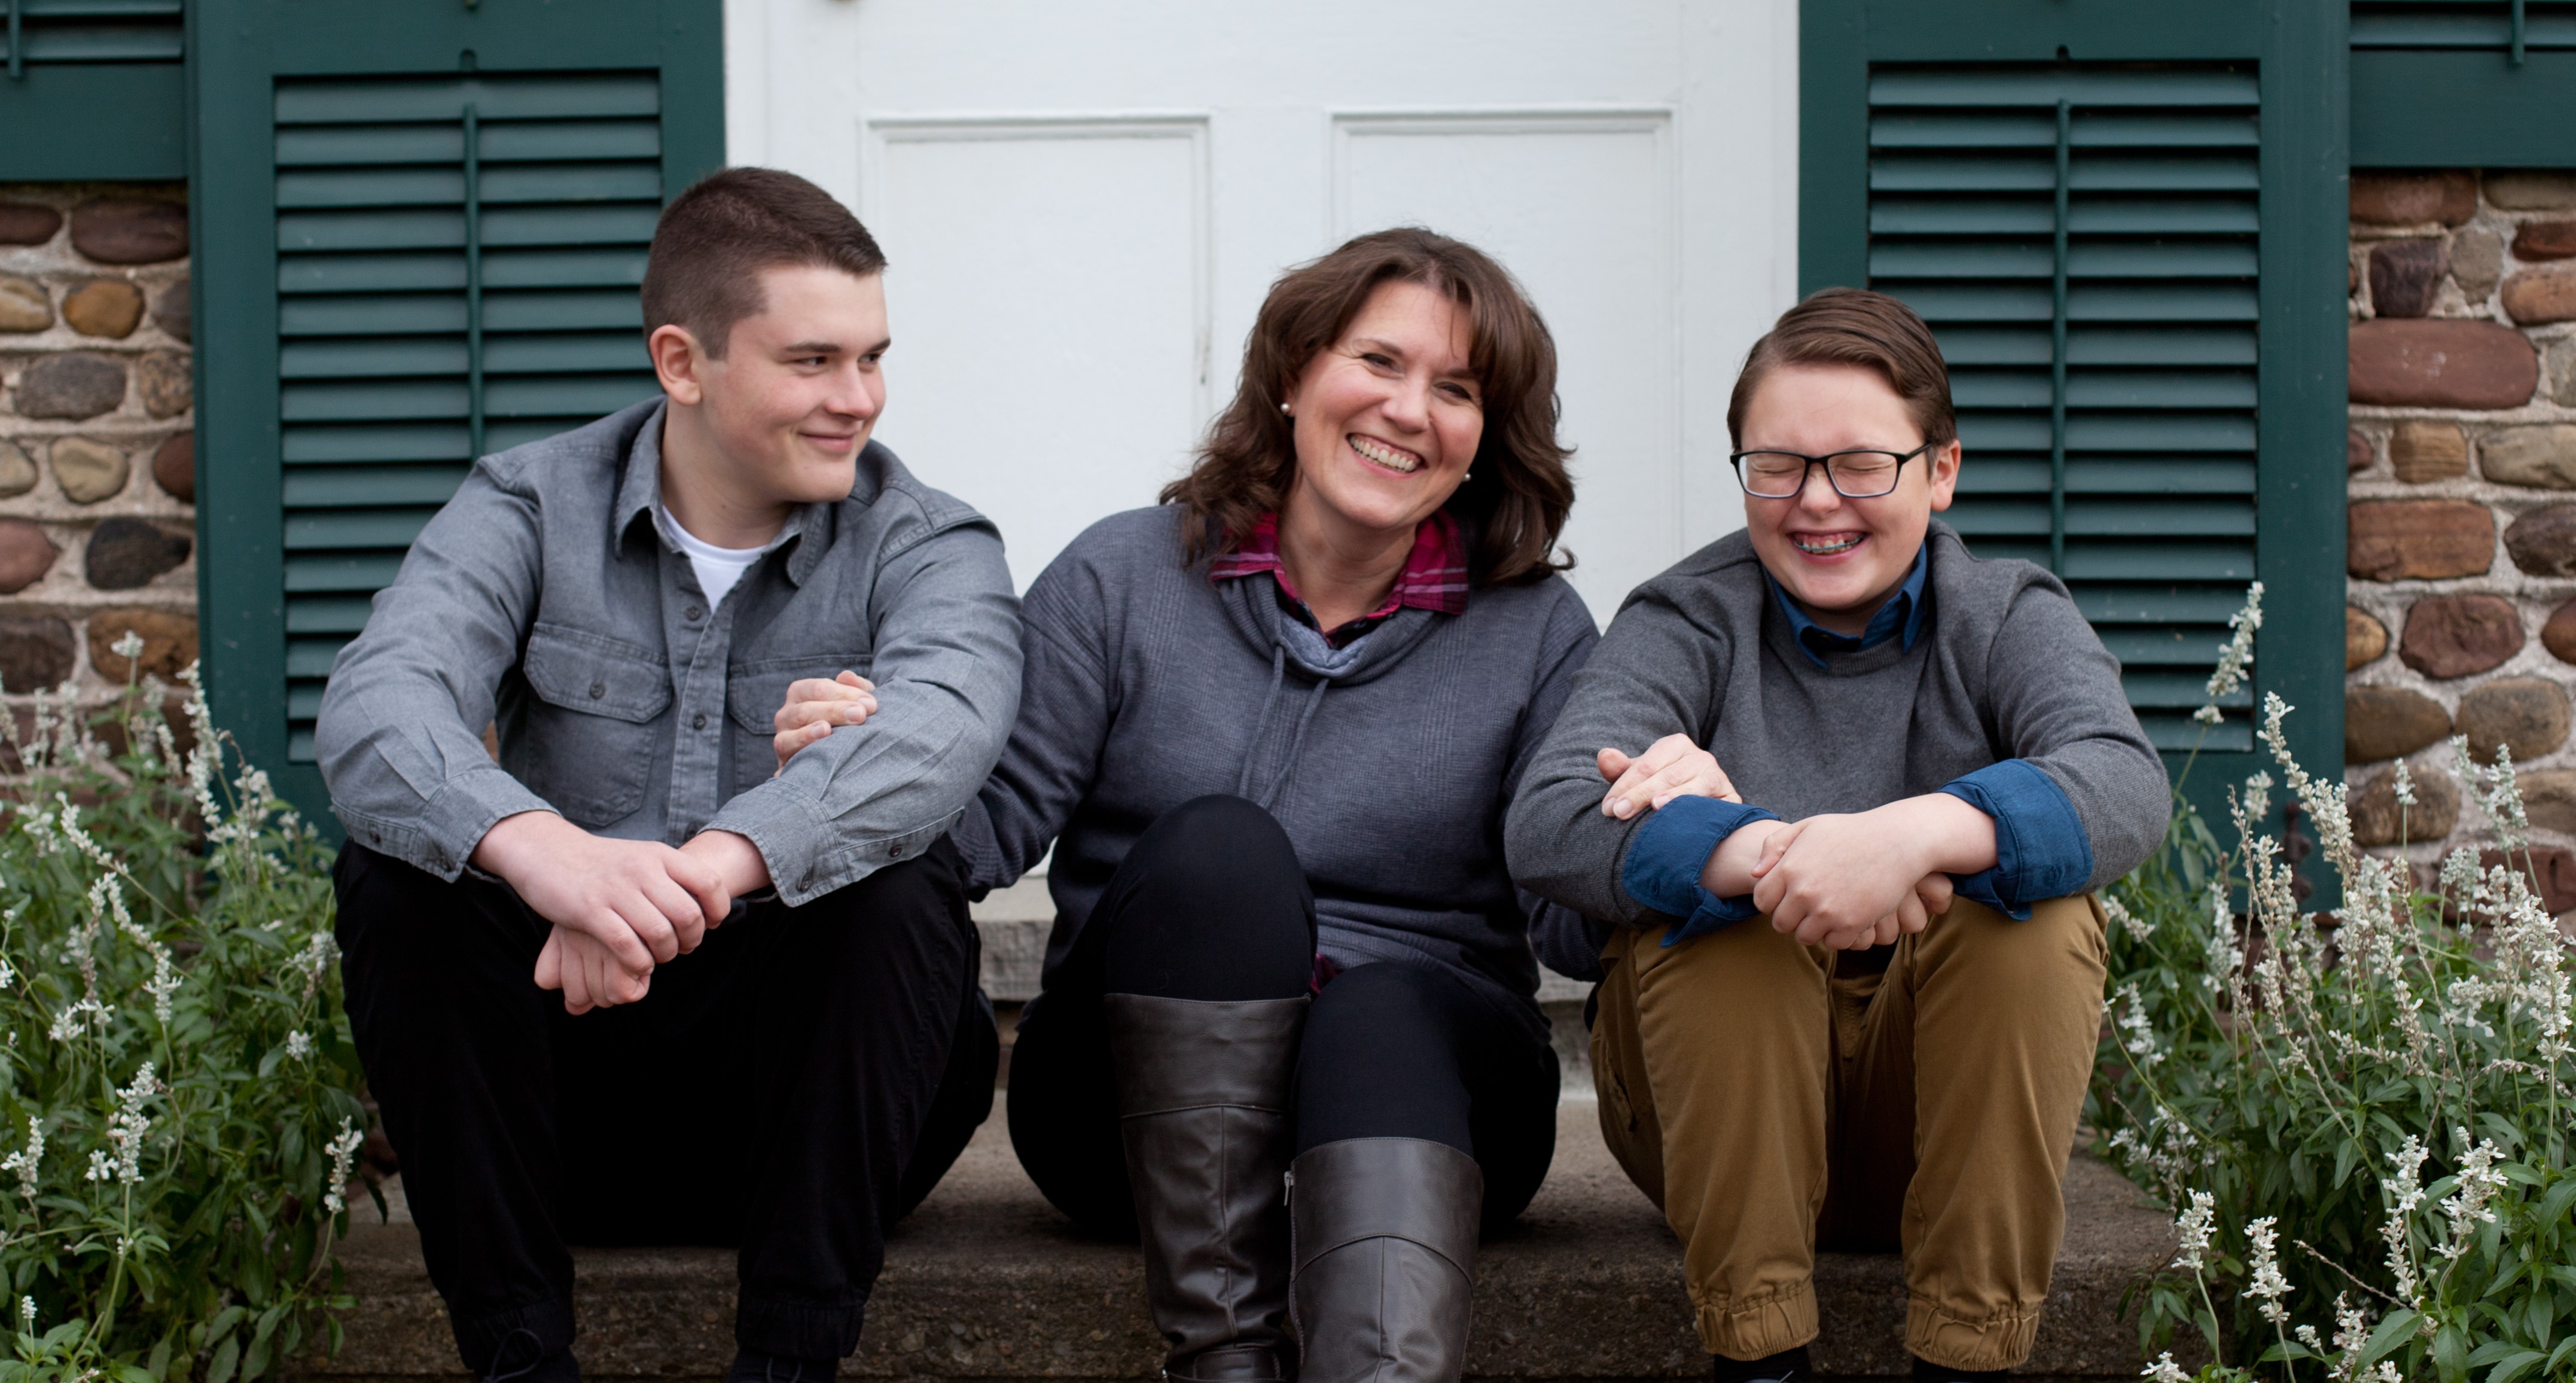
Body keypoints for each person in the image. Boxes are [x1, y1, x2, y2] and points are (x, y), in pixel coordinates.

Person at [775, 228, 1655, 1383]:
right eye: (1378, 363)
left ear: (1488, 436)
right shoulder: (1124, 576)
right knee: (1221, 853)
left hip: (1423, 1109)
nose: (1409, 410)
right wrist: (859, 764)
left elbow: (1563, 929)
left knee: (1383, 1006)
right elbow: (981, 826)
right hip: (1127, 1117)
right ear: (1293, 374)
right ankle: (1223, 1361)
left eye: (1457, 389)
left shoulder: (1535, 630)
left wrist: (1643, 822)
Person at [316, 167, 1022, 1383]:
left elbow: (950, 725)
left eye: (872, 357)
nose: (859, 399)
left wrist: (675, 883)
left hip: (821, 1113)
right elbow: (380, 705)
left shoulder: (928, 539)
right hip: (566, 1093)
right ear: (683, 362)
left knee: (901, 887)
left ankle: (791, 1364)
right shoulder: (528, 506)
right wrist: (554, 860)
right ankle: (520, 1361)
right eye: (813, 361)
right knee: (397, 878)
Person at [1504, 289, 2170, 1383]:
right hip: (1718, 1127)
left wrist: (1919, 833)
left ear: (1941, 469)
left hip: (1942, 1124)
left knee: (2031, 914)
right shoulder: (1682, 620)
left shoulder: (2008, 614)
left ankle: (1968, 1356)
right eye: (1777, 465)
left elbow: (2124, 784)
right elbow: (1549, 822)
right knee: (1726, 922)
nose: (1818, 503)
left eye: (1863, 464)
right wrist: (1760, 852)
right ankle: (1759, 1358)